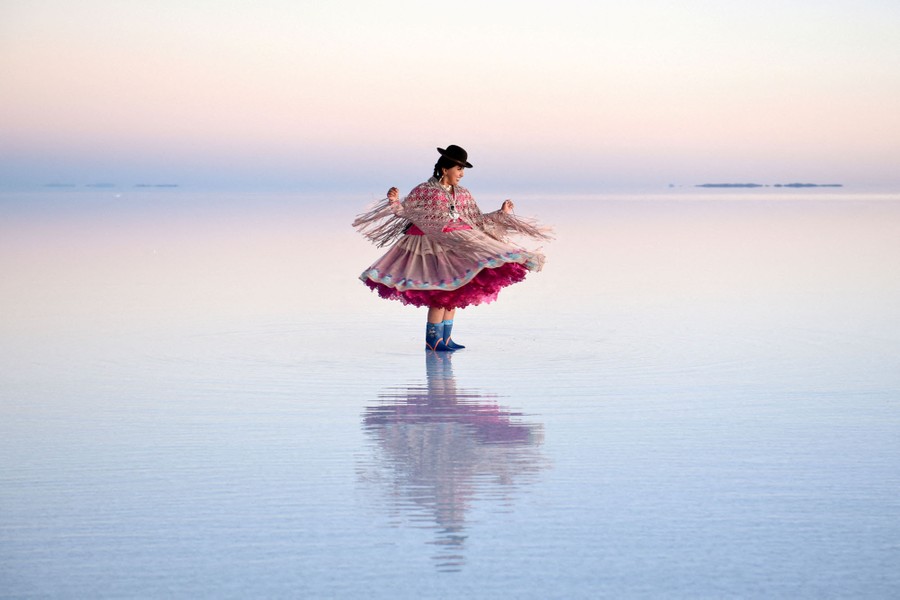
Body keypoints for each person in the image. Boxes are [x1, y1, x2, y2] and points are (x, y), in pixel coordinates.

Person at [353, 145, 551, 351]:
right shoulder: (425, 190)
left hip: (456, 240)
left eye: (463, 169)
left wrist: (501, 214)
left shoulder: (463, 193)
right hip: (430, 244)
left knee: (454, 289)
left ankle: (446, 337)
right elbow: (405, 212)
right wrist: (393, 201)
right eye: (459, 169)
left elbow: (475, 219)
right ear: (445, 169)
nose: (462, 174)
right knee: (440, 290)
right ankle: (433, 340)